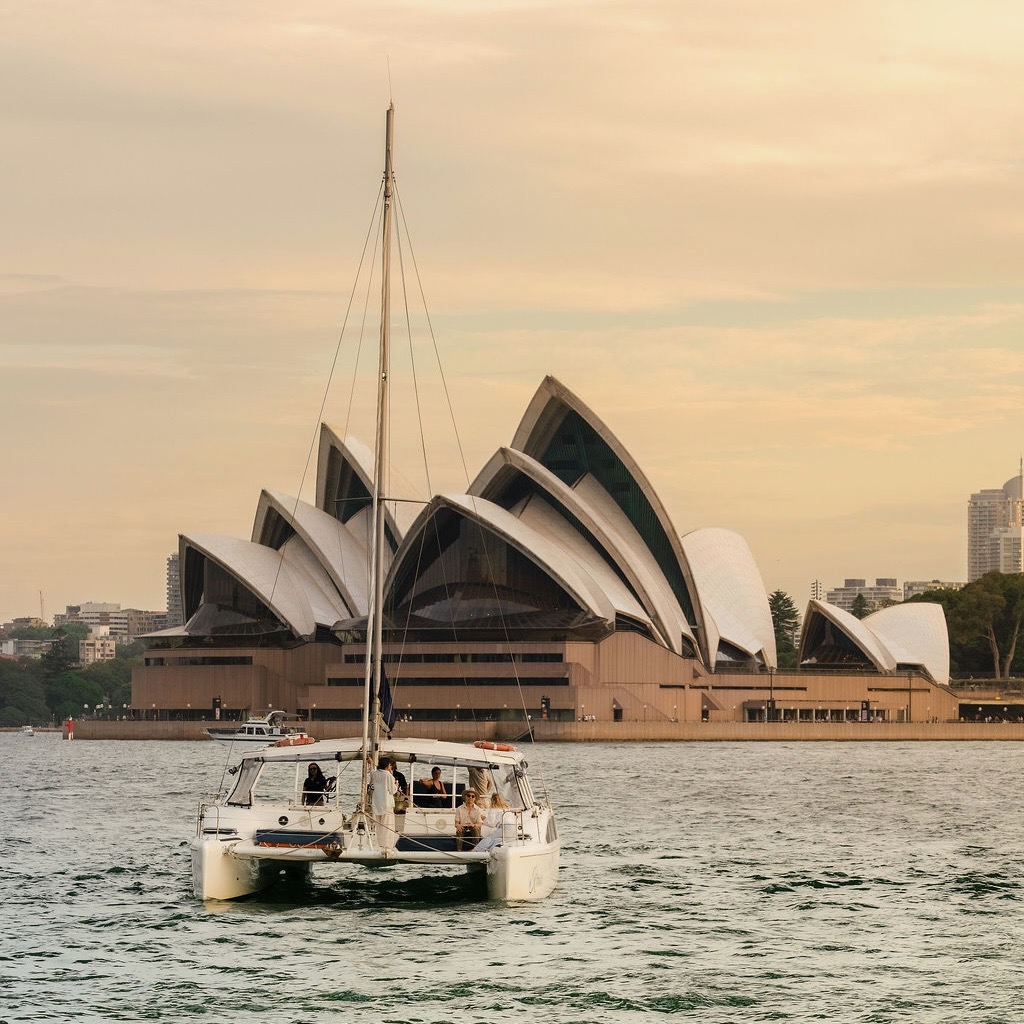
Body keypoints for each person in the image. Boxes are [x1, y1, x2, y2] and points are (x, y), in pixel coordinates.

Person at [368, 756, 398, 851]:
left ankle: (380, 844)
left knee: (379, 826)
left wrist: (371, 763)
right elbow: (392, 790)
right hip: (386, 804)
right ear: (388, 765)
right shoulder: (389, 775)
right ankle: (387, 846)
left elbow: (372, 771)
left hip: (377, 803)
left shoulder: (375, 773)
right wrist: (396, 785)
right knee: (388, 826)